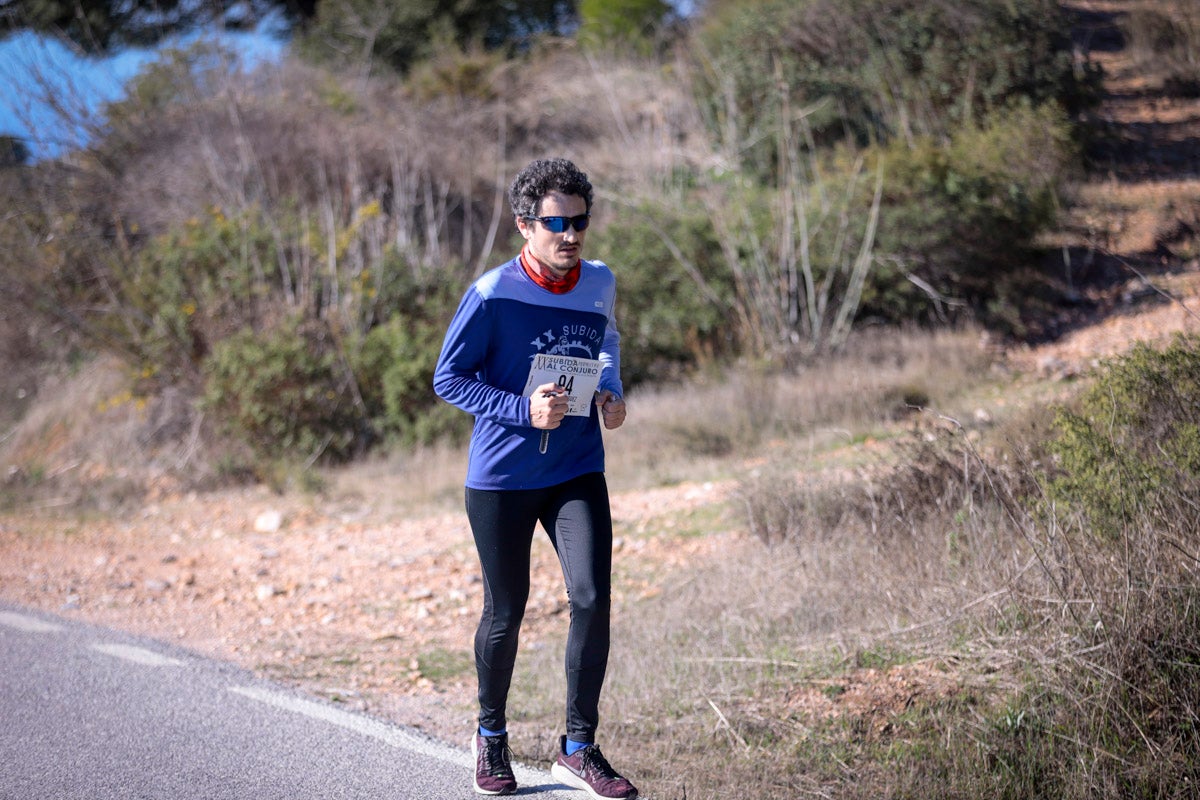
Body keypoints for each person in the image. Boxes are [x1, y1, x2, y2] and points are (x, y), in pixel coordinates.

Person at [433, 157, 638, 800]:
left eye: (579, 221)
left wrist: (611, 391)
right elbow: (448, 378)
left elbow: (606, 341)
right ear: (525, 225)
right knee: (506, 610)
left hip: (576, 467)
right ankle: (490, 736)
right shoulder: (491, 293)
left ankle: (577, 749)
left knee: (592, 599)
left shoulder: (599, 280)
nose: (570, 234)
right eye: (556, 223)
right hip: (502, 477)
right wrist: (523, 409)